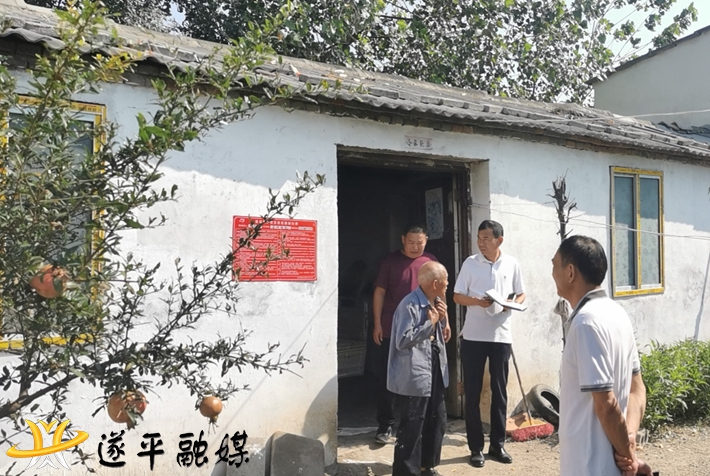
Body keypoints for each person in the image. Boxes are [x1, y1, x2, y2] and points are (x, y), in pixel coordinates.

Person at [551, 235, 653, 476]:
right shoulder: (618, 314)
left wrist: (628, 454)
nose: (552, 273)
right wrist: (629, 437)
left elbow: (606, 404)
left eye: (554, 265)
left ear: (570, 272)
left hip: (590, 465)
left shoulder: (586, 322)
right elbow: (637, 390)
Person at [453, 220, 525, 468]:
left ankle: (498, 444)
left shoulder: (512, 263)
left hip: (501, 336)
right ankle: (476, 448)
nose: (481, 243)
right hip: (473, 336)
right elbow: (456, 296)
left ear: (499, 240)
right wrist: (476, 301)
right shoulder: (470, 263)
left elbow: (521, 293)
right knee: (472, 392)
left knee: (499, 392)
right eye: (479, 238)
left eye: (486, 238)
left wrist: (510, 304)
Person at [372, 224, 450, 444]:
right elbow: (380, 292)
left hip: (427, 327)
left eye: (420, 243)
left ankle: (419, 425)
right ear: (402, 240)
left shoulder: (430, 261)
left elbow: (440, 293)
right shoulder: (391, 261)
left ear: (426, 240)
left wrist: (445, 321)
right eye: (411, 242)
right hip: (395, 328)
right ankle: (385, 424)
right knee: (390, 376)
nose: (415, 247)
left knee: (423, 377)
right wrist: (377, 323)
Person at [387, 261, 449, 476]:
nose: (448, 284)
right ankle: (406, 472)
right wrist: (429, 324)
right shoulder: (409, 304)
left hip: (434, 369)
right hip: (415, 373)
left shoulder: (436, 301)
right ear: (435, 283)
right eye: (446, 280)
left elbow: (439, 334)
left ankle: (426, 466)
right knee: (413, 423)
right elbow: (402, 340)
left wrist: (442, 320)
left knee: (437, 418)